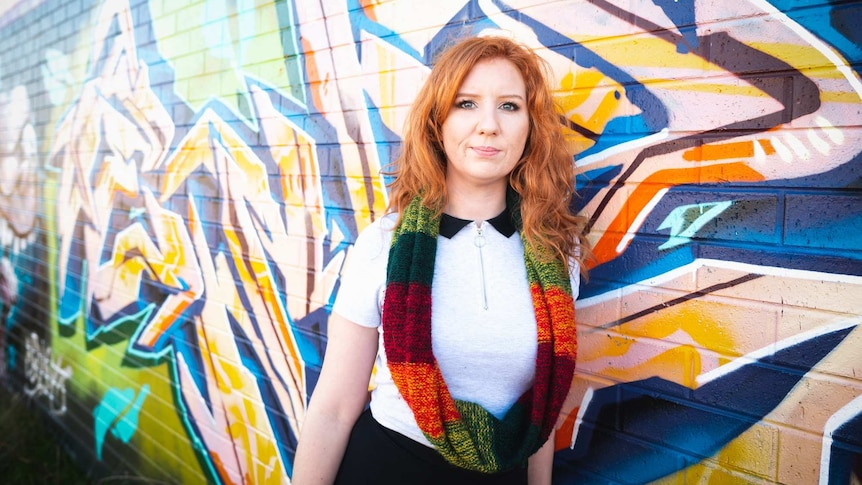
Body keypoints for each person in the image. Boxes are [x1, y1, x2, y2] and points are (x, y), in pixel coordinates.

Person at [292, 34, 588, 485]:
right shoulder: (383, 245)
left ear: (530, 127)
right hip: (388, 468)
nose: (489, 125)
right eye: (466, 104)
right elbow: (333, 406)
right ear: (438, 122)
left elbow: (542, 410)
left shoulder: (555, 251)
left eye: (509, 106)